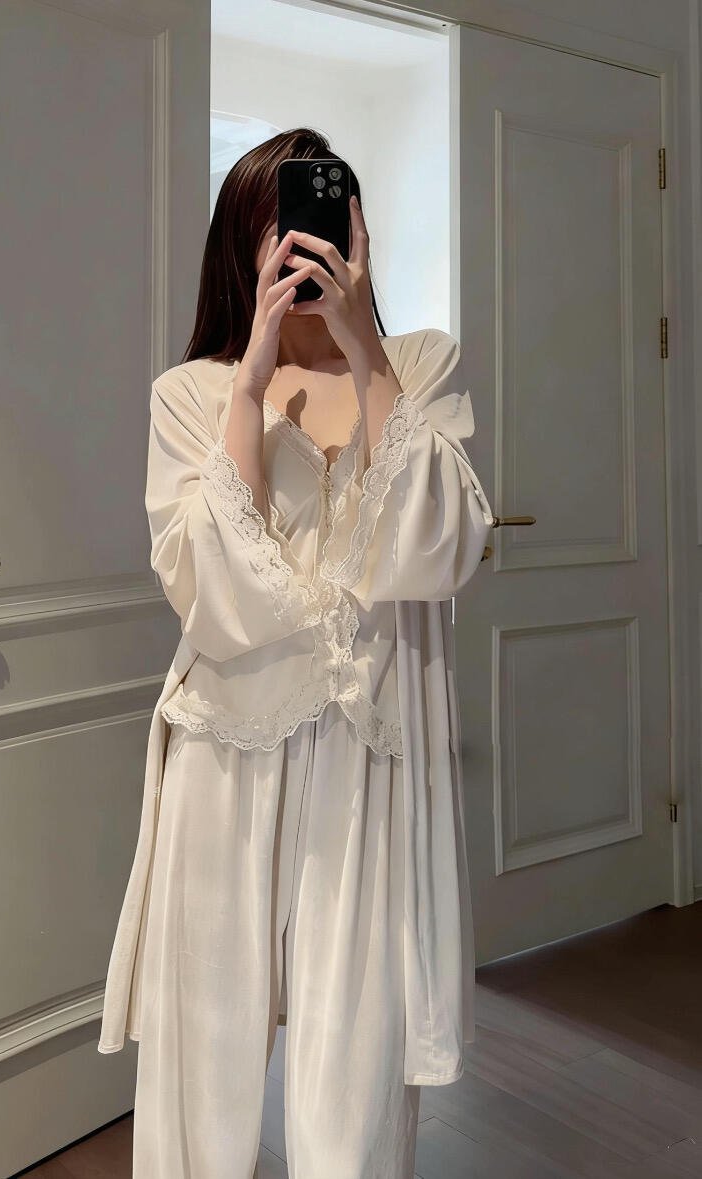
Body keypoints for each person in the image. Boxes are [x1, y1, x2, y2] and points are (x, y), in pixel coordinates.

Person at [97, 128, 495, 1179]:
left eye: (321, 219)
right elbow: (210, 590)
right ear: (242, 244)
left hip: (369, 757)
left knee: (353, 1074)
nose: (302, 248)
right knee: (203, 1052)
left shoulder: (419, 365)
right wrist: (249, 385)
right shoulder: (191, 392)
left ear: (356, 232)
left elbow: (443, 546)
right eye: (277, 226)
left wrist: (365, 348)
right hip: (228, 748)